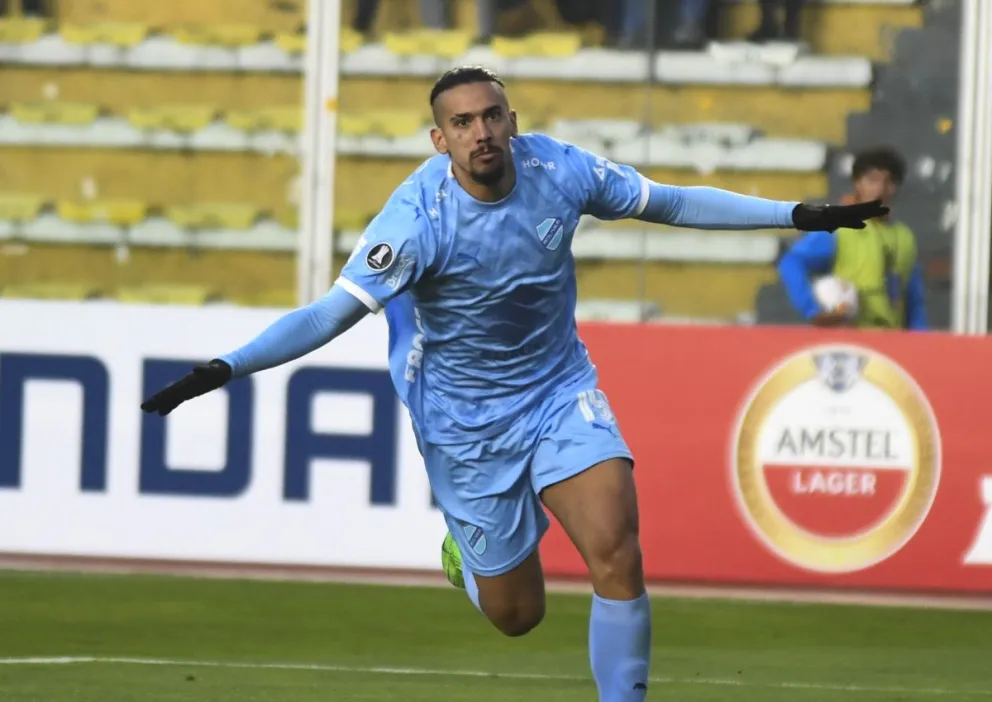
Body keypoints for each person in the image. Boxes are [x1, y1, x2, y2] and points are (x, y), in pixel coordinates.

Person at [140, 66, 885, 700]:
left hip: (560, 388)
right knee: (517, 615)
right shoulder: (416, 216)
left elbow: (671, 202)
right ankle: (460, 539)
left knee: (617, 550)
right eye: (461, 123)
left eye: (491, 115)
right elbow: (329, 315)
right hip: (463, 421)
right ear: (441, 140)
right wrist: (224, 368)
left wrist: (799, 215)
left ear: (511, 119)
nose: (480, 132)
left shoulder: (560, 170)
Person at [777, 146, 927, 330]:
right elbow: (791, 262)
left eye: (888, 182)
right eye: (872, 180)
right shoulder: (841, 226)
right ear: (858, 184)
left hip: (891, 343)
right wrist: (812, 310)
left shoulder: (905, 237)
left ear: (896, 187)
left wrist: (921, 341)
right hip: (852, 339)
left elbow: (914, 301)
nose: (880, 189)